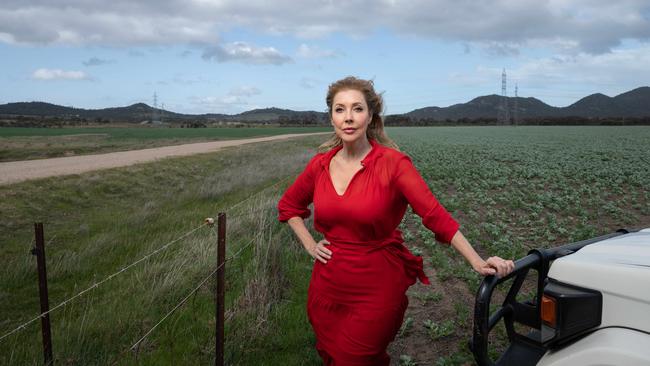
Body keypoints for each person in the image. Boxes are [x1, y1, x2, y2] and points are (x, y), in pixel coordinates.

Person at [277, 76, 514, 365]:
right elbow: (289, 206)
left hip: (375, 289)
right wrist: (310, 245)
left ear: (371, 115)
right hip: (326, 288)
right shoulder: (319, 165)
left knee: (354, 359)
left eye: (357, 109)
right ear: (331, 118)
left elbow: (434, 215)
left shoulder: (394, 164)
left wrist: (476, 260)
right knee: (331, 356)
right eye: (340, 110)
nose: (348, 118)